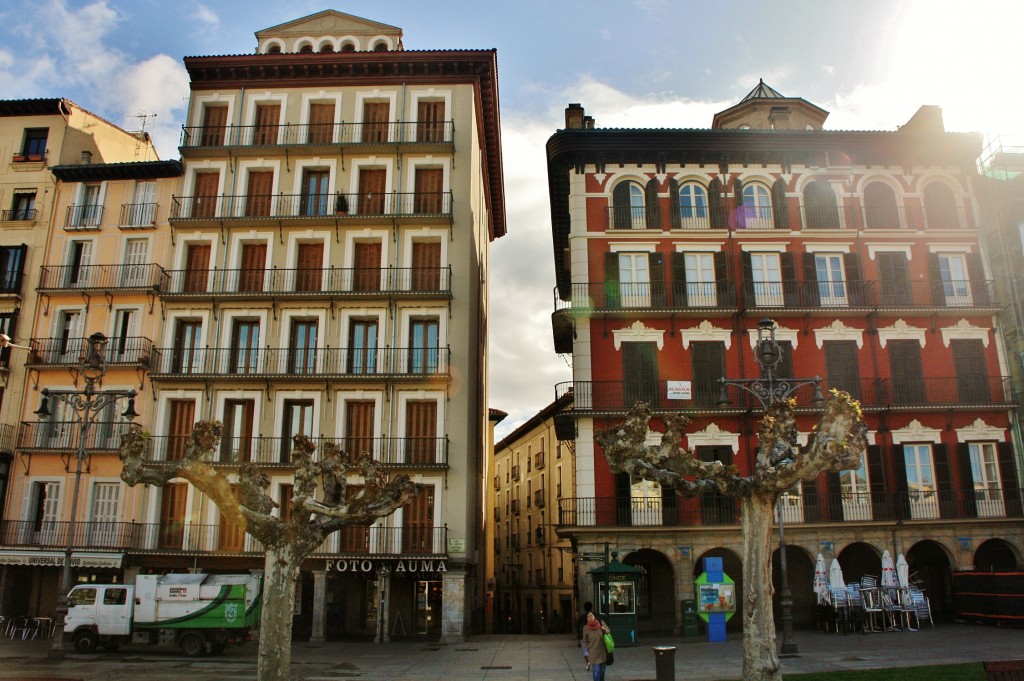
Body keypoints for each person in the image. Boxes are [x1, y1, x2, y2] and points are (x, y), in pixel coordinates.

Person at [581, 611, 611, 681]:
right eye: (588, 617)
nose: (590, 618)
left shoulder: (601, 623)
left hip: (603, 651)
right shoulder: (585, 628)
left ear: (594, 616)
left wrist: (604, 629)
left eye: (591, 616)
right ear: (586, 619)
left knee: (602, 672)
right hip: (593, 653)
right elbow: (585, 640)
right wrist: (588, 647)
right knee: (596, 672)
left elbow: (608, 631)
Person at [575, 601, 593, 668]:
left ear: (584, 608)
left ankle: (588, 662)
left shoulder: (582, 616)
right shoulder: (594, 615)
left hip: (583, 634)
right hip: (592, 634)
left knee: (585, 649)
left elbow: (577, 625)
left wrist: (578, 635)